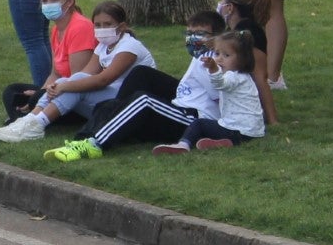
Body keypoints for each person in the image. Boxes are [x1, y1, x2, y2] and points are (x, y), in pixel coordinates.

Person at [43, 10, 227, 161]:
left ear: (218, 37)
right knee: (137, 80)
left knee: (144, 100)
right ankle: (91, 133)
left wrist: (213, 69)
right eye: (189, 34)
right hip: (178, 107)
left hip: (194, 119)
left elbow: (221, 96)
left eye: (200, 34)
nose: (193, 39)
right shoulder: (199, 56)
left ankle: (93, 144)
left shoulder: (217, 61)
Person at [0, 0, 154, 143]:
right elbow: (86, 73)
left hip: (128, 102)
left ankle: (37, 125)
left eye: (108, 24)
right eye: (98, 25)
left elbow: (103, 80)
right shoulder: (103, 45)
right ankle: (27, 122)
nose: (102, 29)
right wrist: (59, 85)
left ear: (121, 26)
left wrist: (65, 86)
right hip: (109, 98)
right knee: (69, 81)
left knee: (73, 86)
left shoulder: (129, 46)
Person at [152, 30, 267, 153]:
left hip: (239, 130)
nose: (219, 59)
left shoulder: (234, 77)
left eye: (226, 55)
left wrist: (213, 69)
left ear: (243, 59)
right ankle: (225, 142)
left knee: (199, 124)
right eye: (217, 54)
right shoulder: (245, 78)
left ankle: (183, 145)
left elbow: (220, 84)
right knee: (214, 126)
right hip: (252, 132)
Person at [217, 0, 280, 124]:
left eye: (222, 0)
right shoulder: (235, 30)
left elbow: (260, 77)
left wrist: (273, 120)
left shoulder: (249, 33)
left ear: (230, 8)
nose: (219, 5)